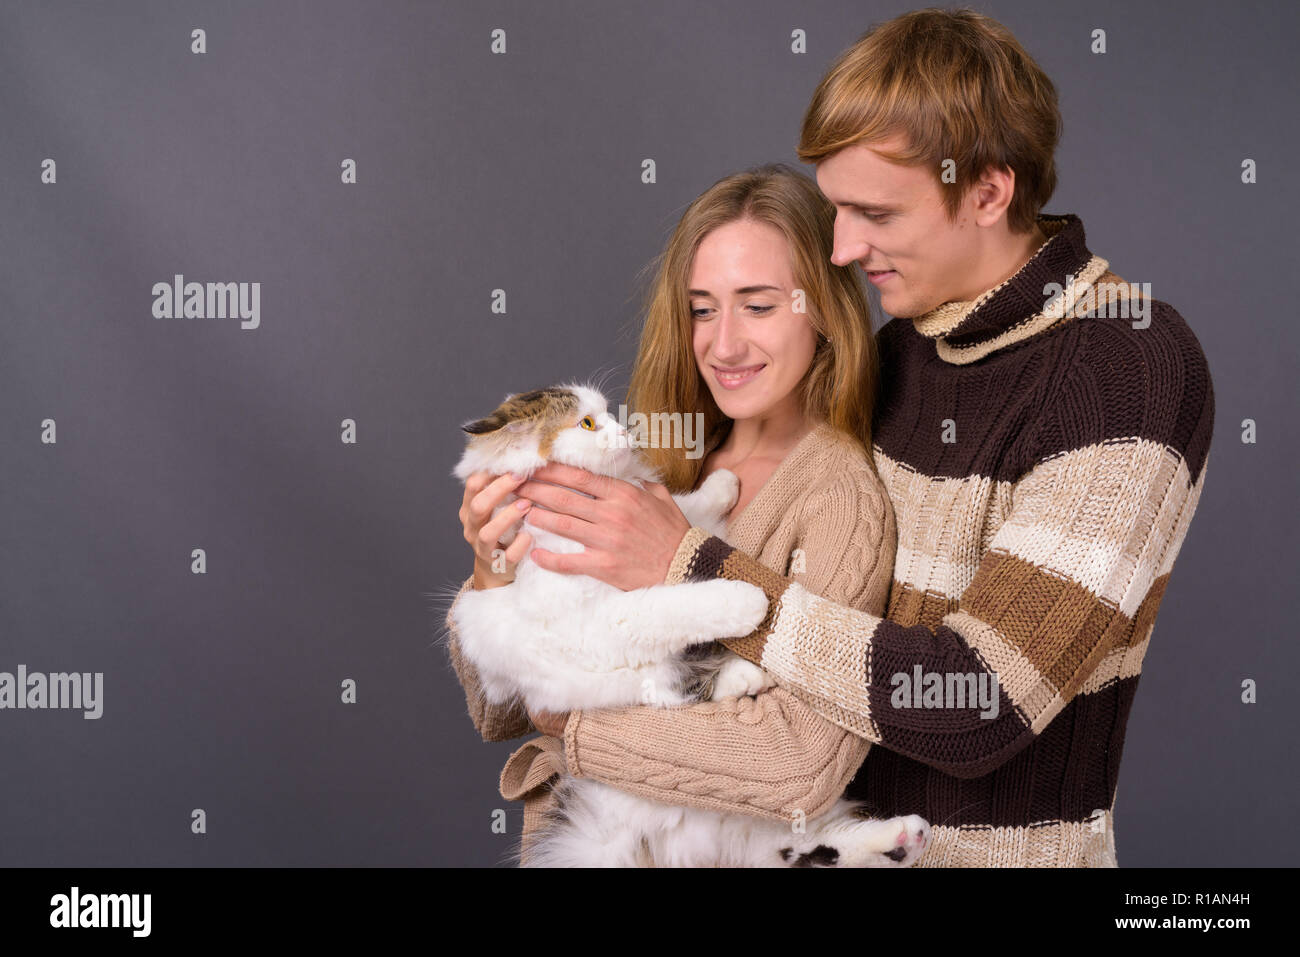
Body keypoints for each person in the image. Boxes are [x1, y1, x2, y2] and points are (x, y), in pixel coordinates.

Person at [489, 9, 1215, 866]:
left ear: (988, 190)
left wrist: (691, 570)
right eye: (836, 208)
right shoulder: (898, 354)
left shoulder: (1126, 370)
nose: (840, 247)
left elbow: (978, 698)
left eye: (874, 211)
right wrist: (516, 562)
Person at [447, 163, 915, 865]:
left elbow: (796, 761)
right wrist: (493, 571)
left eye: (758, 306)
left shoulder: (838, 499)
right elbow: (501, 709)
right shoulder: (662, 455)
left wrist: (574, 726)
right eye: (703, 308)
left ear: (821, 309)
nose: (722, 344)